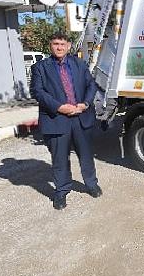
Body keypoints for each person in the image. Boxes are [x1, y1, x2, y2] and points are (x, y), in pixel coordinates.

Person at [30, 33, 102, 210]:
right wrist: (59, 107)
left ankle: (91, 184)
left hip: (80, 117)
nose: (59, 47)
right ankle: (61, 191)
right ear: (50, 45)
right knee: (60, 159)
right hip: (56, 119)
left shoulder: (79, 64)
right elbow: (38, 92)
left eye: (63, 44)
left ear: (69, 46)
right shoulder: (40, 67)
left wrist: (85, 104)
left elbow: (91, 85)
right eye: (55, 44)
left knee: (86, 156)